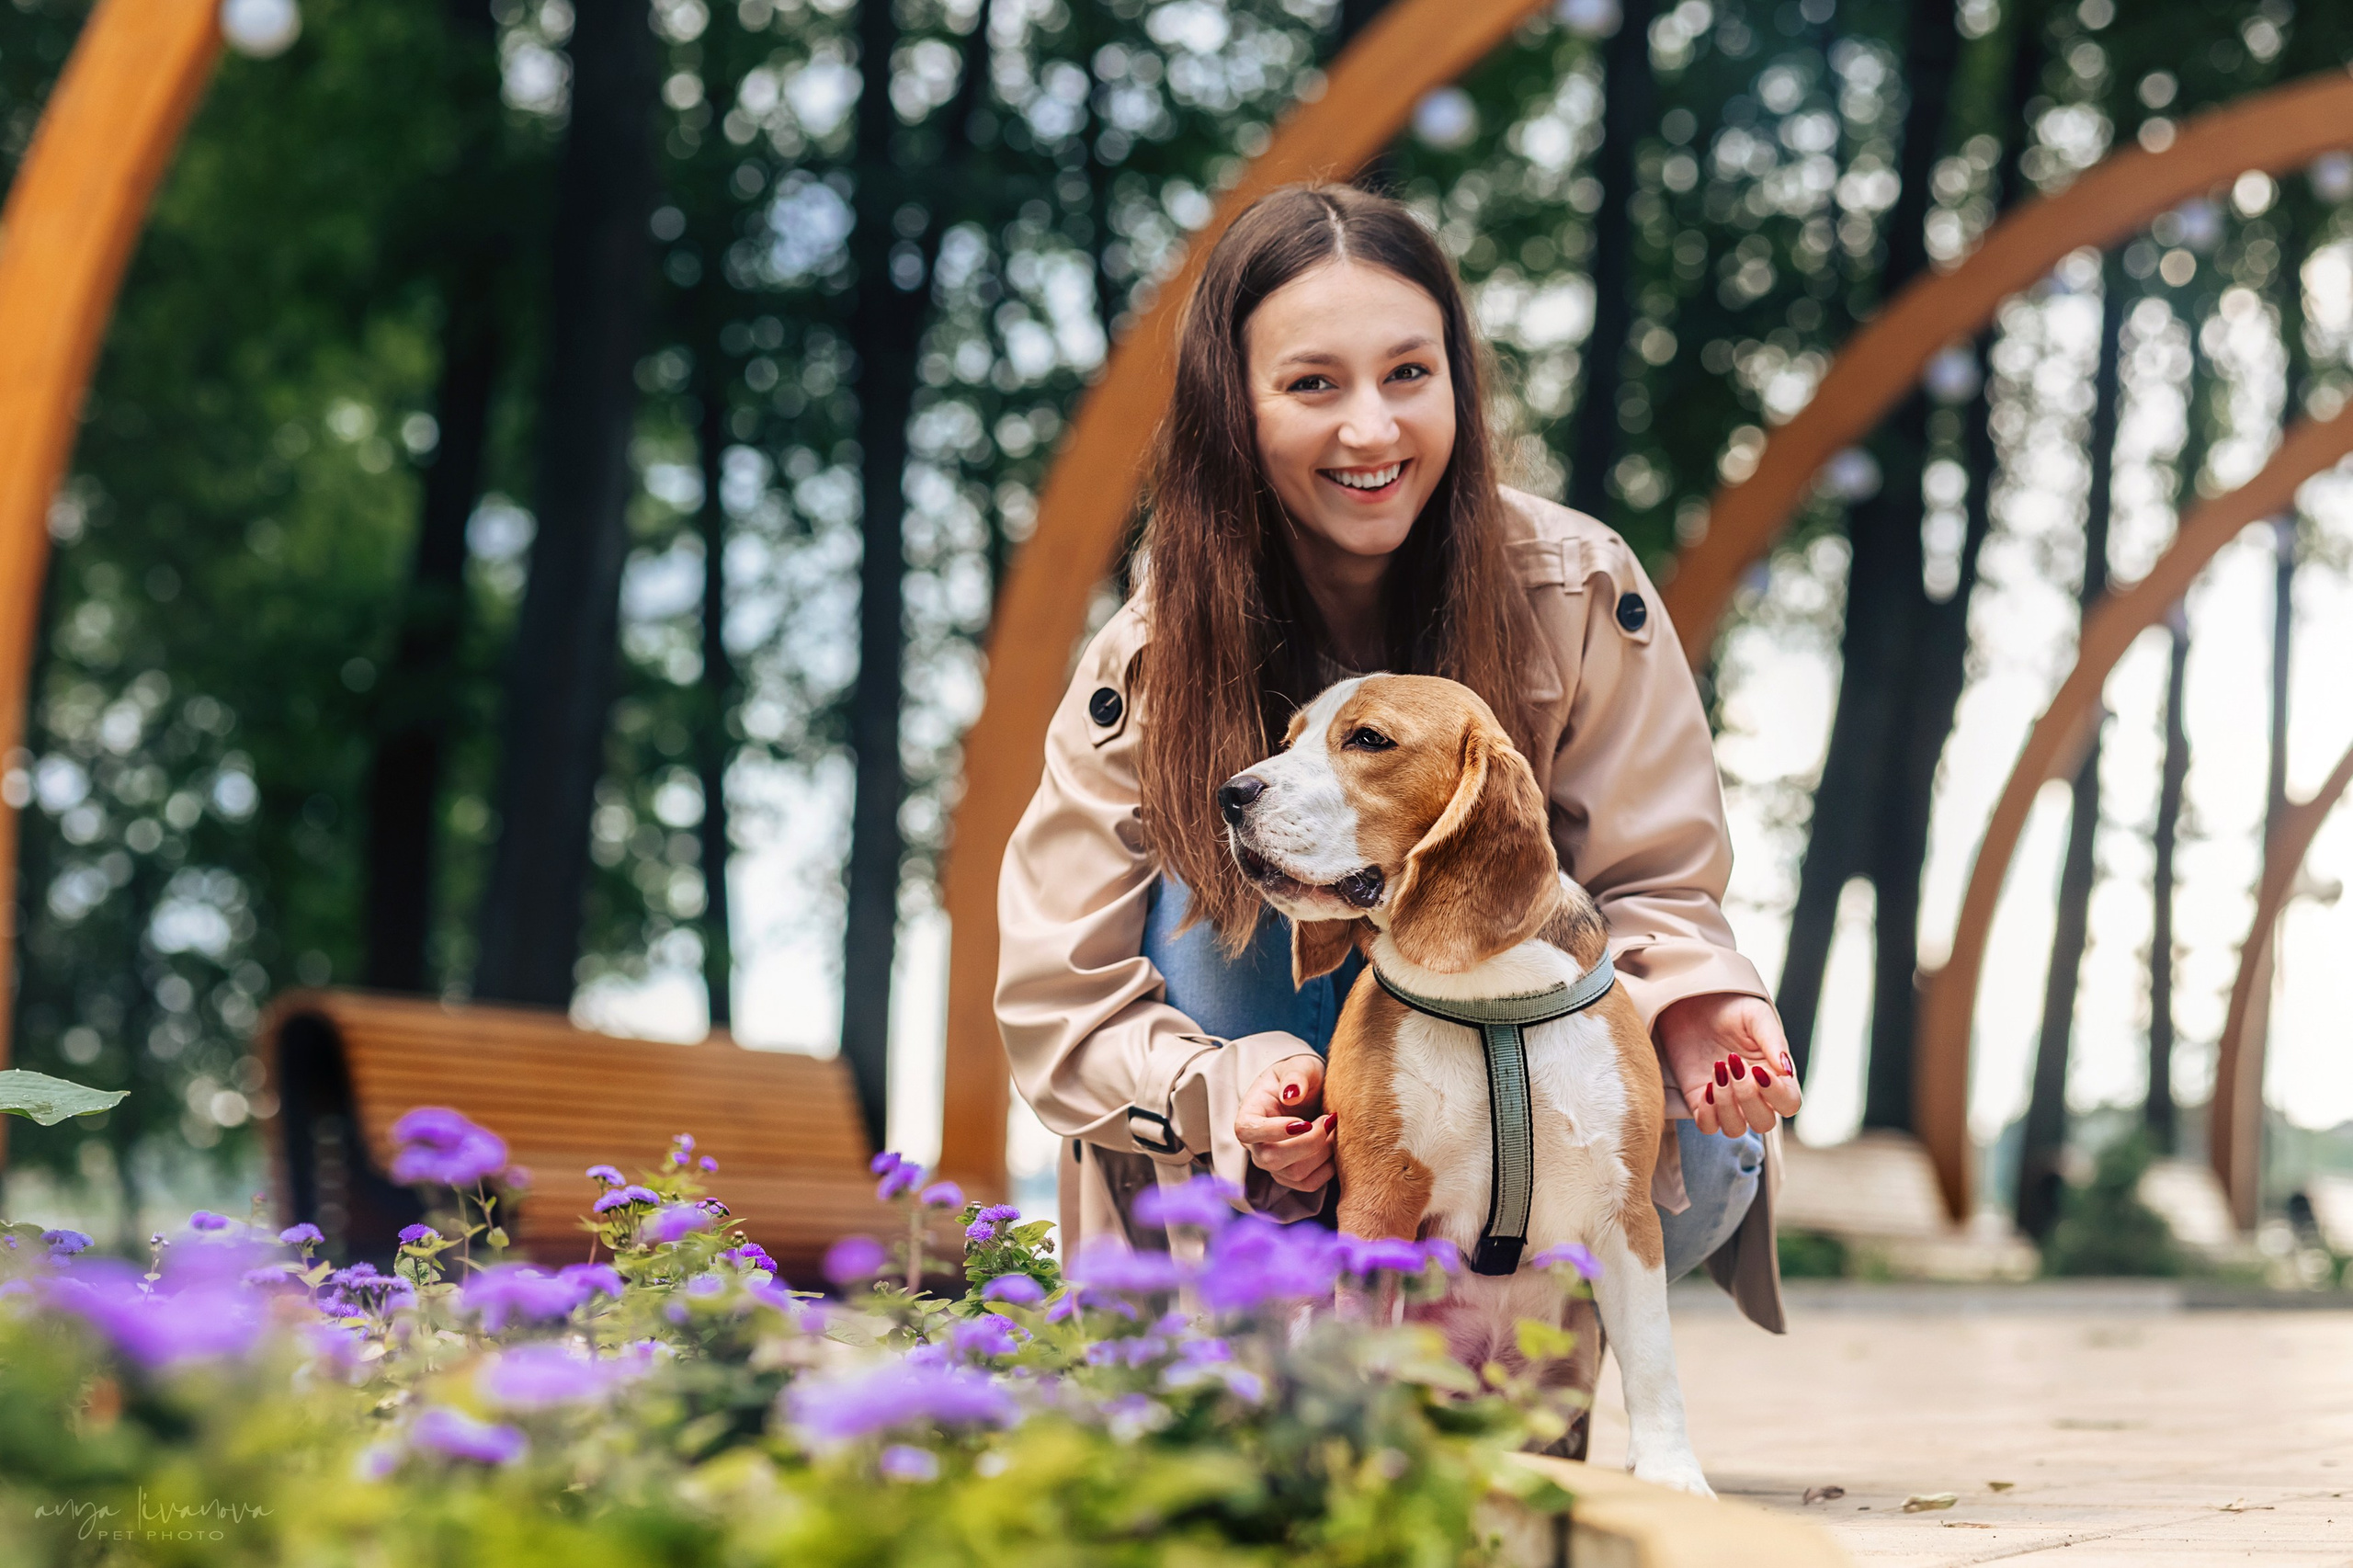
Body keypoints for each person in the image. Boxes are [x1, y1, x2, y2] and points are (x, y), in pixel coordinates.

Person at [995, 183, 1800, 1334]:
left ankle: (1475, 1330)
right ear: (1238, 409)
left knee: (1715, 1154)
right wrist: (1214, 1090)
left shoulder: (1578, 587)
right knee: (1210, 858)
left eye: (1408, 375)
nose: (1370, 429)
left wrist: (1694, 1001)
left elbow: (1653, 881)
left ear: (1459, 387)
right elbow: (1054, 985)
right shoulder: (1155, 653)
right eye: (1313, 383)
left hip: (1514, 1126)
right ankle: (1287, 1315)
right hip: (1281, 1169)